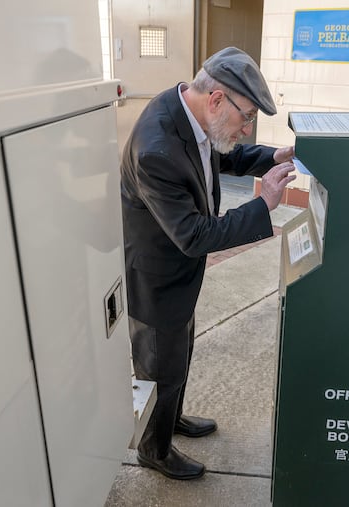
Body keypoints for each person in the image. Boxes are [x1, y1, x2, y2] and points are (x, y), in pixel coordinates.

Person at [120, 46, 296, 480]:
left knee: (177, 357)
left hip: (177, 276)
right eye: (247, 116)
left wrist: (272, 156)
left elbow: (224, 153)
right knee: (159, 367)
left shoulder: (189, 111)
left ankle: (171, 418)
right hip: (156, 278)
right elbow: (194, 236)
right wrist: (264, 205)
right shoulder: (156, 149)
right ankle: (153, 449)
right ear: (217, 99)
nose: (248, 126)